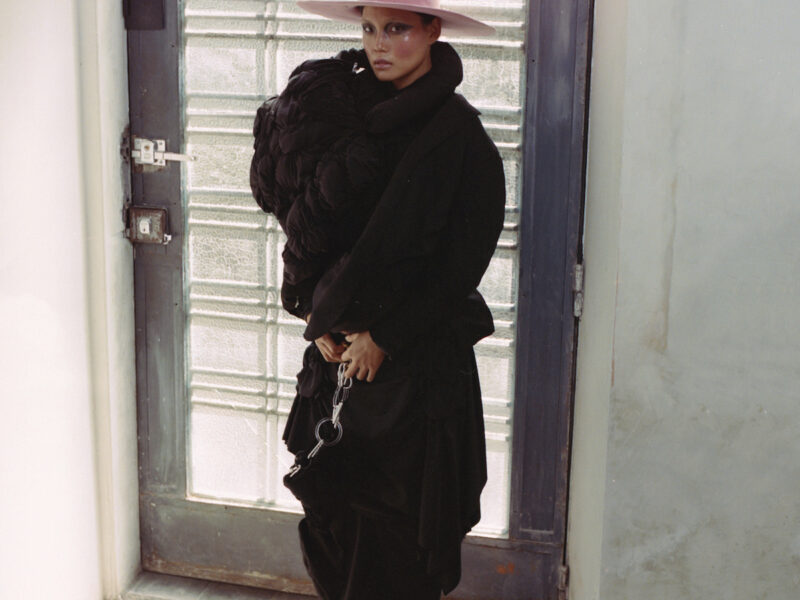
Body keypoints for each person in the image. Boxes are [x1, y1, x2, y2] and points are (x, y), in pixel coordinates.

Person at [250, 1, 505, 597]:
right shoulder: (339, 117)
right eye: (369, 29)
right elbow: (309, 230)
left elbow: (461, 266)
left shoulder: (461, 137)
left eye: (397, 29)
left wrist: (386, 338)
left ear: (432, 31)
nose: (379, 44)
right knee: (334, 523)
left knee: (398, 539)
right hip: (335, 360)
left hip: (414, 372)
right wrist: (312, 313)